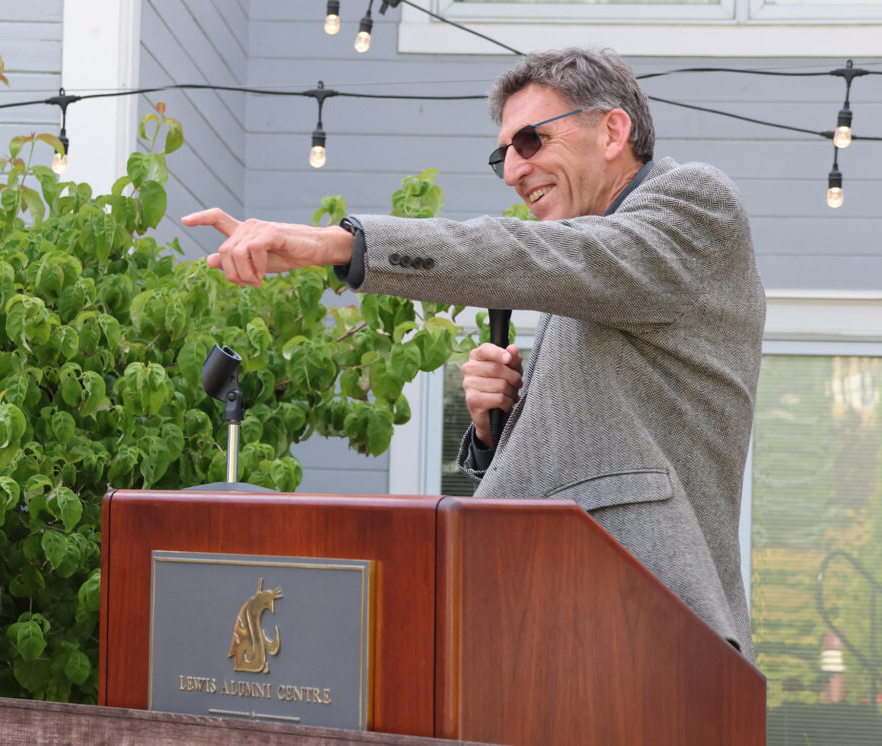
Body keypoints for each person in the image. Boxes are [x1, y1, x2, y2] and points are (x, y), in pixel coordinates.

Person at [182, 48, 765, 662]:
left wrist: (331, 244)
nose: (513, 171)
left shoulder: (694, 205)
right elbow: (588, 453)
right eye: (503, 155)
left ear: (613, 130)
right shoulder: (589, 275)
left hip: (655, 621)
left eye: (531, 141)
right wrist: (496, 427)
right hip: (544, 613)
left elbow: (525, 253)